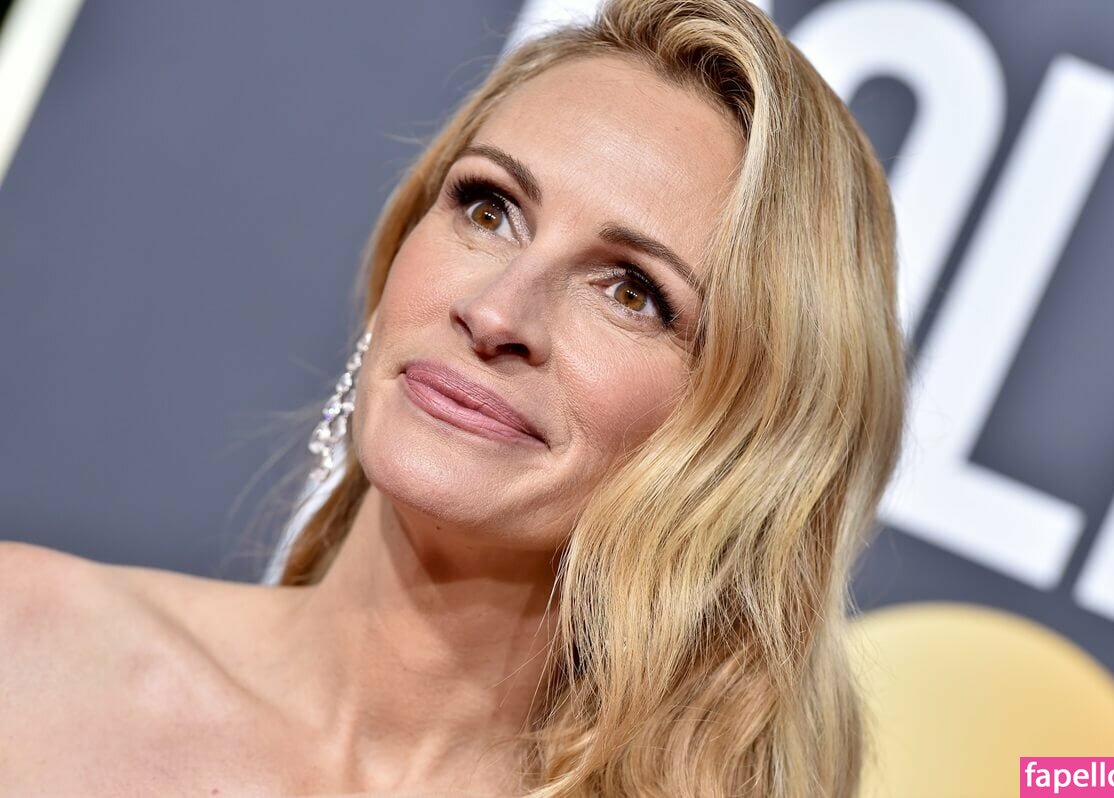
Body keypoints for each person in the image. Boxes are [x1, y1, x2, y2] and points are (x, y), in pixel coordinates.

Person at [0, 0, 906, 794]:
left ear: (739, 441)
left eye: (632, 292)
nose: (496, 311)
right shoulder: (23, 644)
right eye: (488, 208)